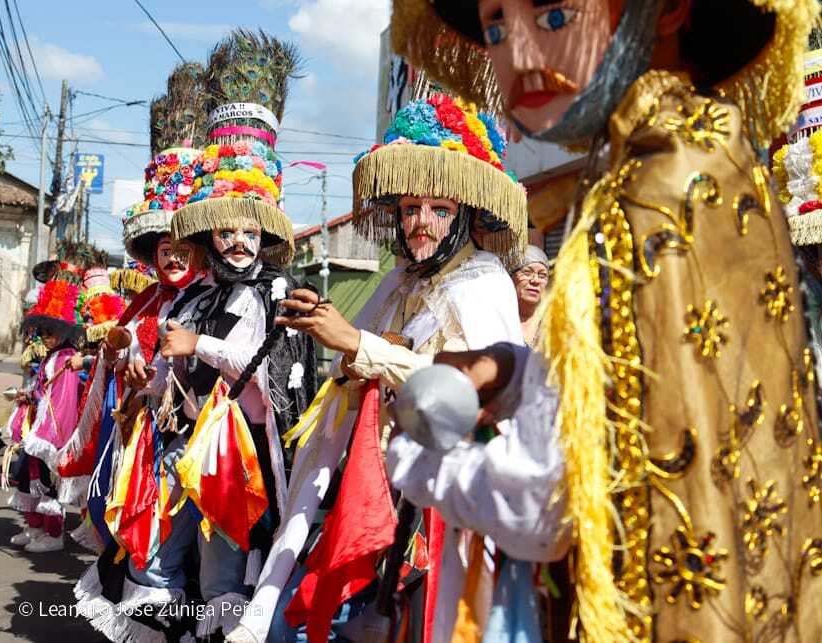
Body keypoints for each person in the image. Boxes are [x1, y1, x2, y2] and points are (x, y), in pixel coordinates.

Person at [392, 0, 822, 640]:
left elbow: (542, 507)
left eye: (555, 17)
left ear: (670, 9)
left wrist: (412, 455)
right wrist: (516, 370)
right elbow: (652, 391)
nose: (521, 57)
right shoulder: (708, 152)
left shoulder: (645, 191)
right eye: (495, 27)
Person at [227, 93, 531, 643]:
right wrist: (331, 330)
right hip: (368, 487)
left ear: (467, 215)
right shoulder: (398, 281)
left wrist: (359, 345)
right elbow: (354, 360)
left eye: (439, 210)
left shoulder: (484, 280)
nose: (420, 223)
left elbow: (474, 398)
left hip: (436, 505)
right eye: (410, 208)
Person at [155, 30, 315, 641]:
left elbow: (262, 376)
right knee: (183, 567)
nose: (239, 242)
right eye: (227, 231)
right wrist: (152, 389)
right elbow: (170, 371)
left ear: (266, 232)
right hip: (190, 449)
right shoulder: (197, 293)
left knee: (231, 574)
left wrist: (201, 347)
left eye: (250, 231)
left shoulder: (276, 291)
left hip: (246, 458)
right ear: (210, 236)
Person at [71, 62, 215, 642]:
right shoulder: (152, 296)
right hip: (145, 439)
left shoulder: (217, 294)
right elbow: (123, 341)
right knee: (149, 548)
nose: (172, 256)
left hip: (204, 443)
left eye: (183, 246)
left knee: (187, 559)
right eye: (162, 247)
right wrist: (121, 342)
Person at [9, 271, 85, 553]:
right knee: (29, 478)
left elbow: (63, 404)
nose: (45, 337)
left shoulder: (66, 359)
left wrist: (50, 437)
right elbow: (45, 392)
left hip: (50, 433)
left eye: (50, 331)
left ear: (64, 330)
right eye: (41, 332)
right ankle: (35, 528)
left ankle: (53, 535)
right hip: (37, 427)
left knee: (46, 482)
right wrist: (28, 396)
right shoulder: (52, 357)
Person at [510, 244, 550, 347]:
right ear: (511, 278)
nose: (535, 280)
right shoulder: (500, 321)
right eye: (527, 273)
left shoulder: (552, 324)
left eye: (542, 275)